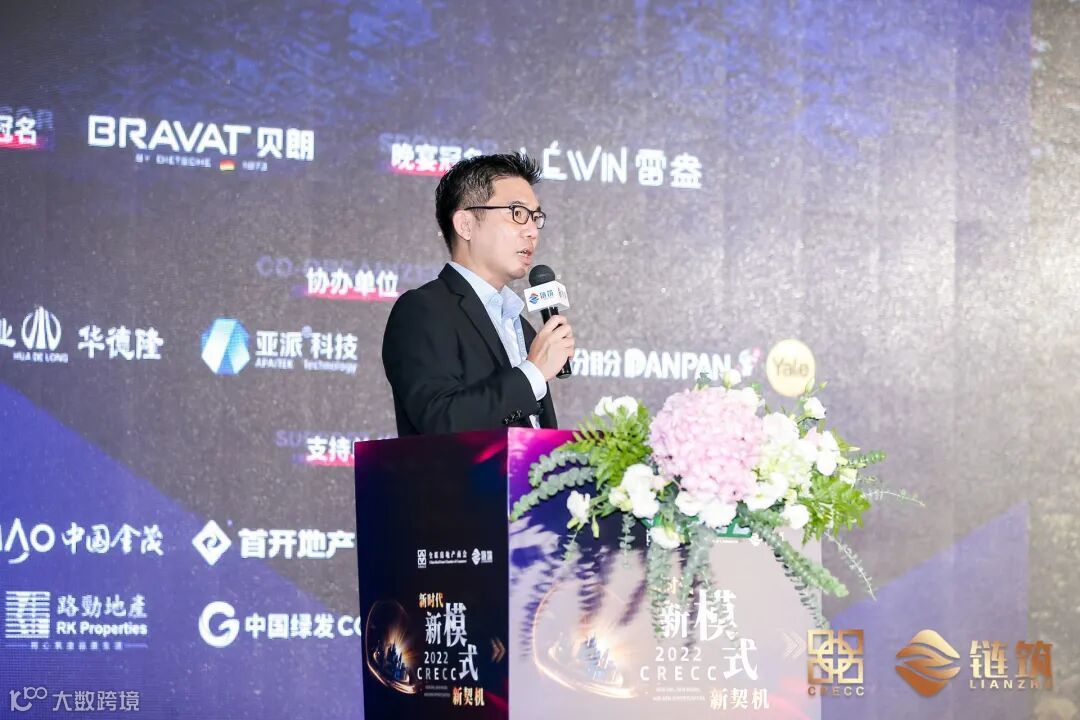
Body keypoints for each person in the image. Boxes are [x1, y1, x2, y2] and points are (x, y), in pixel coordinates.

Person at [382, 153, 575, 436]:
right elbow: (441, 420)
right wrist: (533, 373)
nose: (532, 231)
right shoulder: (423, 310)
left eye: (535, 217)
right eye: (518, 213)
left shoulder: (520, 325)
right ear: (466, 225)